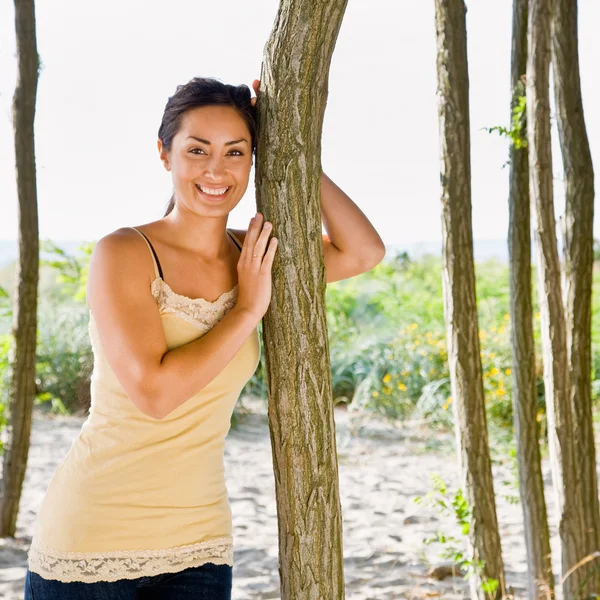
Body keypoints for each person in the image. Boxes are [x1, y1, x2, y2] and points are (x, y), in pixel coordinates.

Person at [24, 77, 385, 599]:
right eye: (197, 150)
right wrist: (246, 309)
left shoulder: (253, 254)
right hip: (90, 541)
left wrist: (296, 152)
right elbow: (155, 394)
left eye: (236, 152)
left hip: (199, 545)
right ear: (164, 154)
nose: (217, 170)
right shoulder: (124, 252)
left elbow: (363, 252)